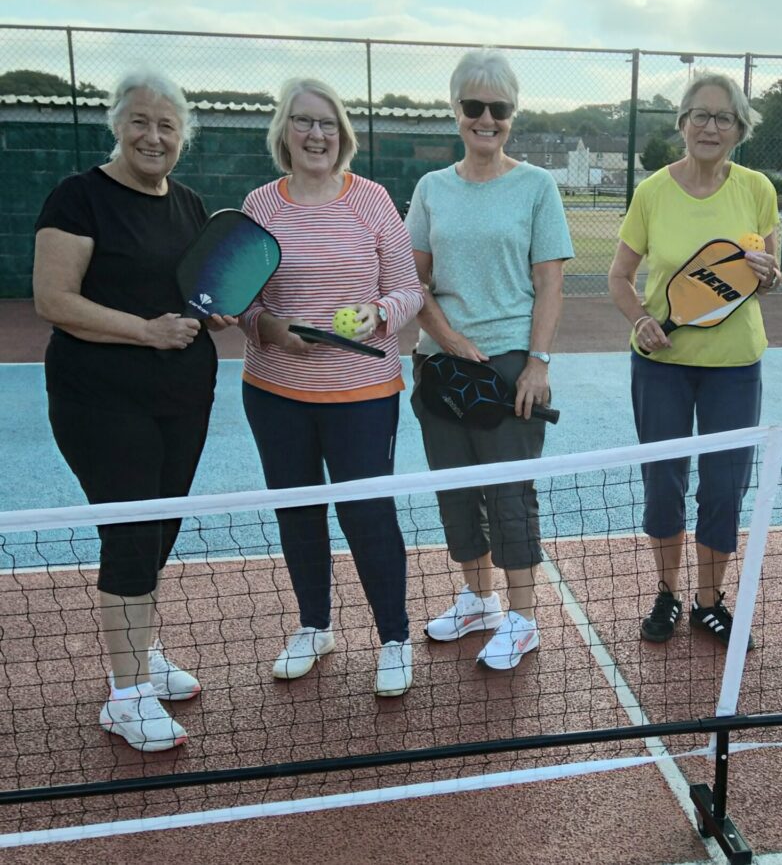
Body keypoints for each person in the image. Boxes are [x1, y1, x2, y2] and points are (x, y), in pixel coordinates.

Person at [32, 71, 230, 752]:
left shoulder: (190, 204)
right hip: (101, 401)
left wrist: (214, 313)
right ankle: (126, 697)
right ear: (117, 124)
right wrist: (145, 330)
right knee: (130, 535)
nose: (153, 136)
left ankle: (140, 653)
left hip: (183, 398)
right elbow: (54, 300)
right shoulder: (79, 198)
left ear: (183, 137)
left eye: (167, 125)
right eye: (140, 121)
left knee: (160, 530)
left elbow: (196, 295)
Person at [238, 78, 423, 696]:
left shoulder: (371, 201)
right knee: (298, 513)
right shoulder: (260, 206)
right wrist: (270, 328)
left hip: (363, 394)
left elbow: (407, 290)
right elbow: (244, 304)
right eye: (302, 122)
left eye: (327, 124)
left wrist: (378, 313)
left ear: (342, 134)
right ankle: (315, 627)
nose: (316, 134)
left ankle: (393, 637)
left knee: (369, 516)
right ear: (283, 132)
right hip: (276, 391)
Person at [404, 49, 574, 671]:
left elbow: (550, 283)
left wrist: (538, 362)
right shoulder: (431, 189)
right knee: (456, 494)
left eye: (498, 109)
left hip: (507, 370)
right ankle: (479, 600)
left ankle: (523, 618)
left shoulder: (536, 186)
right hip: (441, 368)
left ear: (511, 115)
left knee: (509, 493)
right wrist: (445, 338)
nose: (486, 118)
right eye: (473, 106)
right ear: (455, 111)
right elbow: (412, 281)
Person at [608, 73, 780, 650]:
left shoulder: (757, 189)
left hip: (735, 366)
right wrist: (640, 320)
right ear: (681, 123)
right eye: (699, 116)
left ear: (739, 128)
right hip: (661, 365)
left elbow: (765, 274)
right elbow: (619, 276)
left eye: (723, 117)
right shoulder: (653, 191)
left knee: (725, 487)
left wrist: (771, 275)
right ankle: (667, 592)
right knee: (664, 484)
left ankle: (710, 602)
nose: (710, 127)